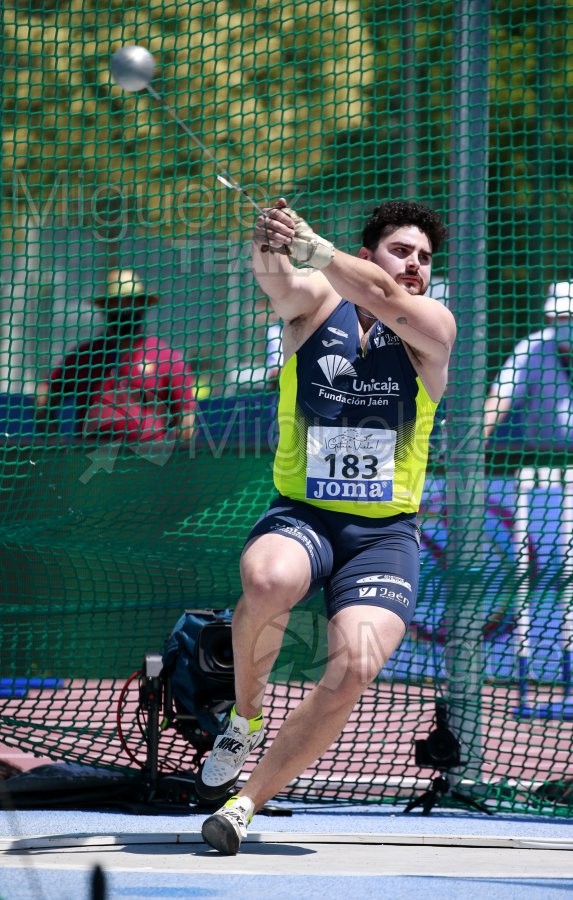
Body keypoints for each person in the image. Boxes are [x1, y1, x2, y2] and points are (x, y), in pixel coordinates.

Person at [196, 198, 456, 854]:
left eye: (424, 258)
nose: (415, 266)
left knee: (355, 667)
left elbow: (382, 296)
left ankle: (245, 803)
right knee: (266, 576)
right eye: (402, 251)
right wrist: (270, 242)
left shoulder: (431, 327)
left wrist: (312, 245)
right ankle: (244, 718)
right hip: (305, 515)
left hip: (382, 536)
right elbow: (277, 278)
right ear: (368, 255)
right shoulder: (316, 305)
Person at [35, 269, 196, 443]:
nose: (124, 308)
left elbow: (186, 419)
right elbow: (44, 396)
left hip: (147, 463)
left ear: (143, 304)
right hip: (93, 461)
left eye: (131, 301)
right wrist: (57, 442)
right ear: (105, 307)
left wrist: (176, 459)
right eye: (116, 302)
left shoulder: (166, 358)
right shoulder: (86, 357)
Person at [484, 281, 573, 449]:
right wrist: (477, 437)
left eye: (570, 316)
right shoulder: (532, 347)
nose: (565, 322)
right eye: (559, 316)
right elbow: (500, 397)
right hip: (543, 462)